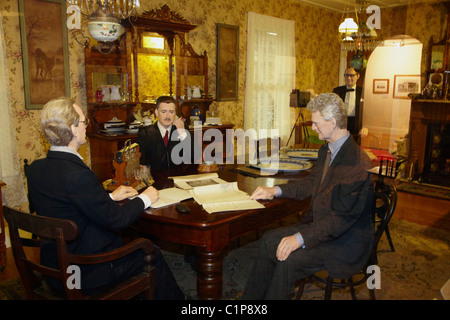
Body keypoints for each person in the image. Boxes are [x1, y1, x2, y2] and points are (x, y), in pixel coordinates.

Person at [27, 97, 184, 299]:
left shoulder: (36, 170)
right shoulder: (79, 174)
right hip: (87, 271)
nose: (86, 125)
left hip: (55, 269)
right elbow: (116, 220)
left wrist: (109, 197)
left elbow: (70, 205)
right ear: (73, 129)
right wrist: (145, 198)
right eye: (83, 121)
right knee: (150, 251)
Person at [241, 93, 374, 300]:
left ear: (332, 122)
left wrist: (300, 238)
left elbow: (340, 220)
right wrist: (275, 190)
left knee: (289, 259)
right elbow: (312, 183)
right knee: (269, 240)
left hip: (343, 241)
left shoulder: (356, 162)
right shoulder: (327, 150)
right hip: (323, 226)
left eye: (316, 123)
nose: (312, 128)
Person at [137, 96, 190, 171]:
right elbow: (141, 163)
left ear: (175, 113)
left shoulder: (183, 129)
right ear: (156, 112)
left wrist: (183, 134)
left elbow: (192, 157)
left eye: (171, 112)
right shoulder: (145, 133)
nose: (167, 116)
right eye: (163, 112)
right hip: (154, 179)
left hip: (177, 177)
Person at [333, 67, 368, 144]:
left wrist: (365, 126)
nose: (348, 78)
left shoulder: (363, 91)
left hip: (356, 128)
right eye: (346, 75)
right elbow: (329, 105)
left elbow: (368, 111)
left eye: (351, 75)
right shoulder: (337, 91)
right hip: (341, 126)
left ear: (357, 76)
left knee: (354, 152)